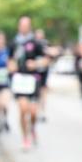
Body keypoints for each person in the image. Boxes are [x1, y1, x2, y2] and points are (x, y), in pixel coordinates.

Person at [9, 16, 48, 150]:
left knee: (32, 113)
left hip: (33, 80)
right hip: (19, 80)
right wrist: (11, 66)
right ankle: (25, 137)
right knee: (22, 109)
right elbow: (9, 61)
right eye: (22, 25)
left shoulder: (36, 42)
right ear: (19, 26)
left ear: (30, 26)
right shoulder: (14, 43)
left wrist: (35, 63)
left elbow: (45, 60)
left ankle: (32, 129)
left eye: (27, 25)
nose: (24, 27)